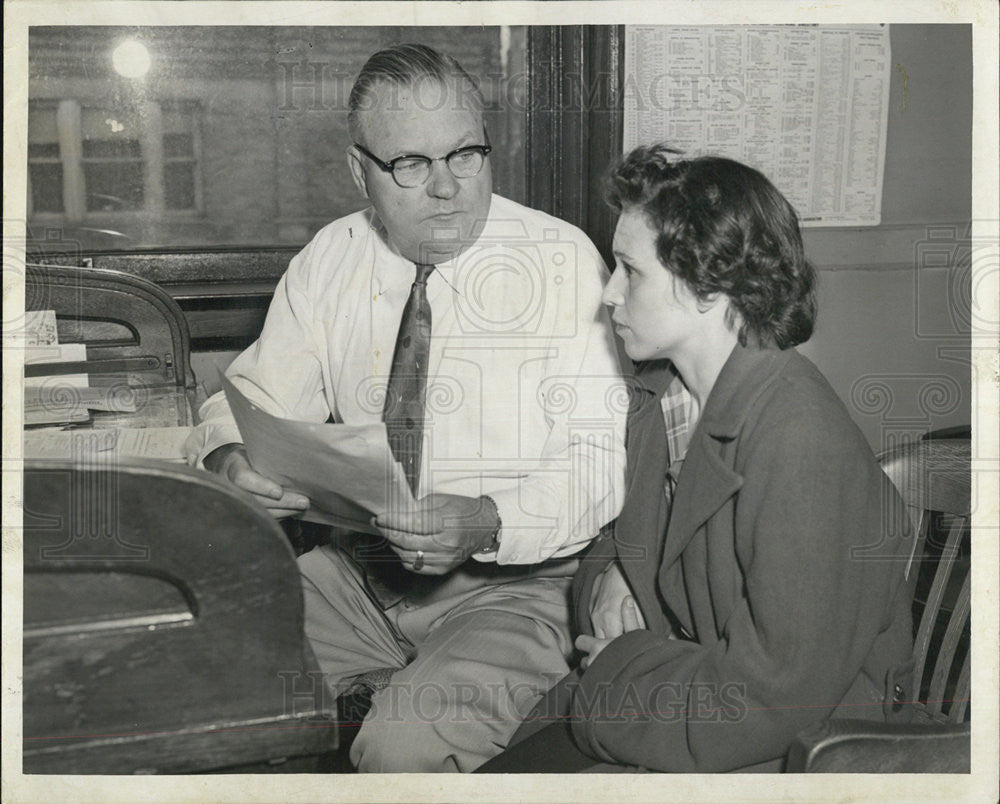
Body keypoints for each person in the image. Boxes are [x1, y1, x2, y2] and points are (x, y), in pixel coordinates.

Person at [183, 44, 626, 772]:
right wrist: (231, 459)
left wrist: (485, 520)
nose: (447, 187)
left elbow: (601, 466)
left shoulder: (564, 261)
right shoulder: (332, 258)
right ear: (361, 171)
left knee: (398, 751)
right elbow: (249, 400)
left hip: (512, 591)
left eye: (465, 155)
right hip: (361, 576)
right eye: (411, 165)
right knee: (198, 668)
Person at [478, 148, 915, 773]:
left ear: (708, 286)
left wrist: (617, 666)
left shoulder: (801, 441)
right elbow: (627, 542)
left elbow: (772, 698)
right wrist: (610, 580)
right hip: (696, 699)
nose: (608, 292)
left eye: (630, 271)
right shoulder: (665, 397)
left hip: (811, 745)